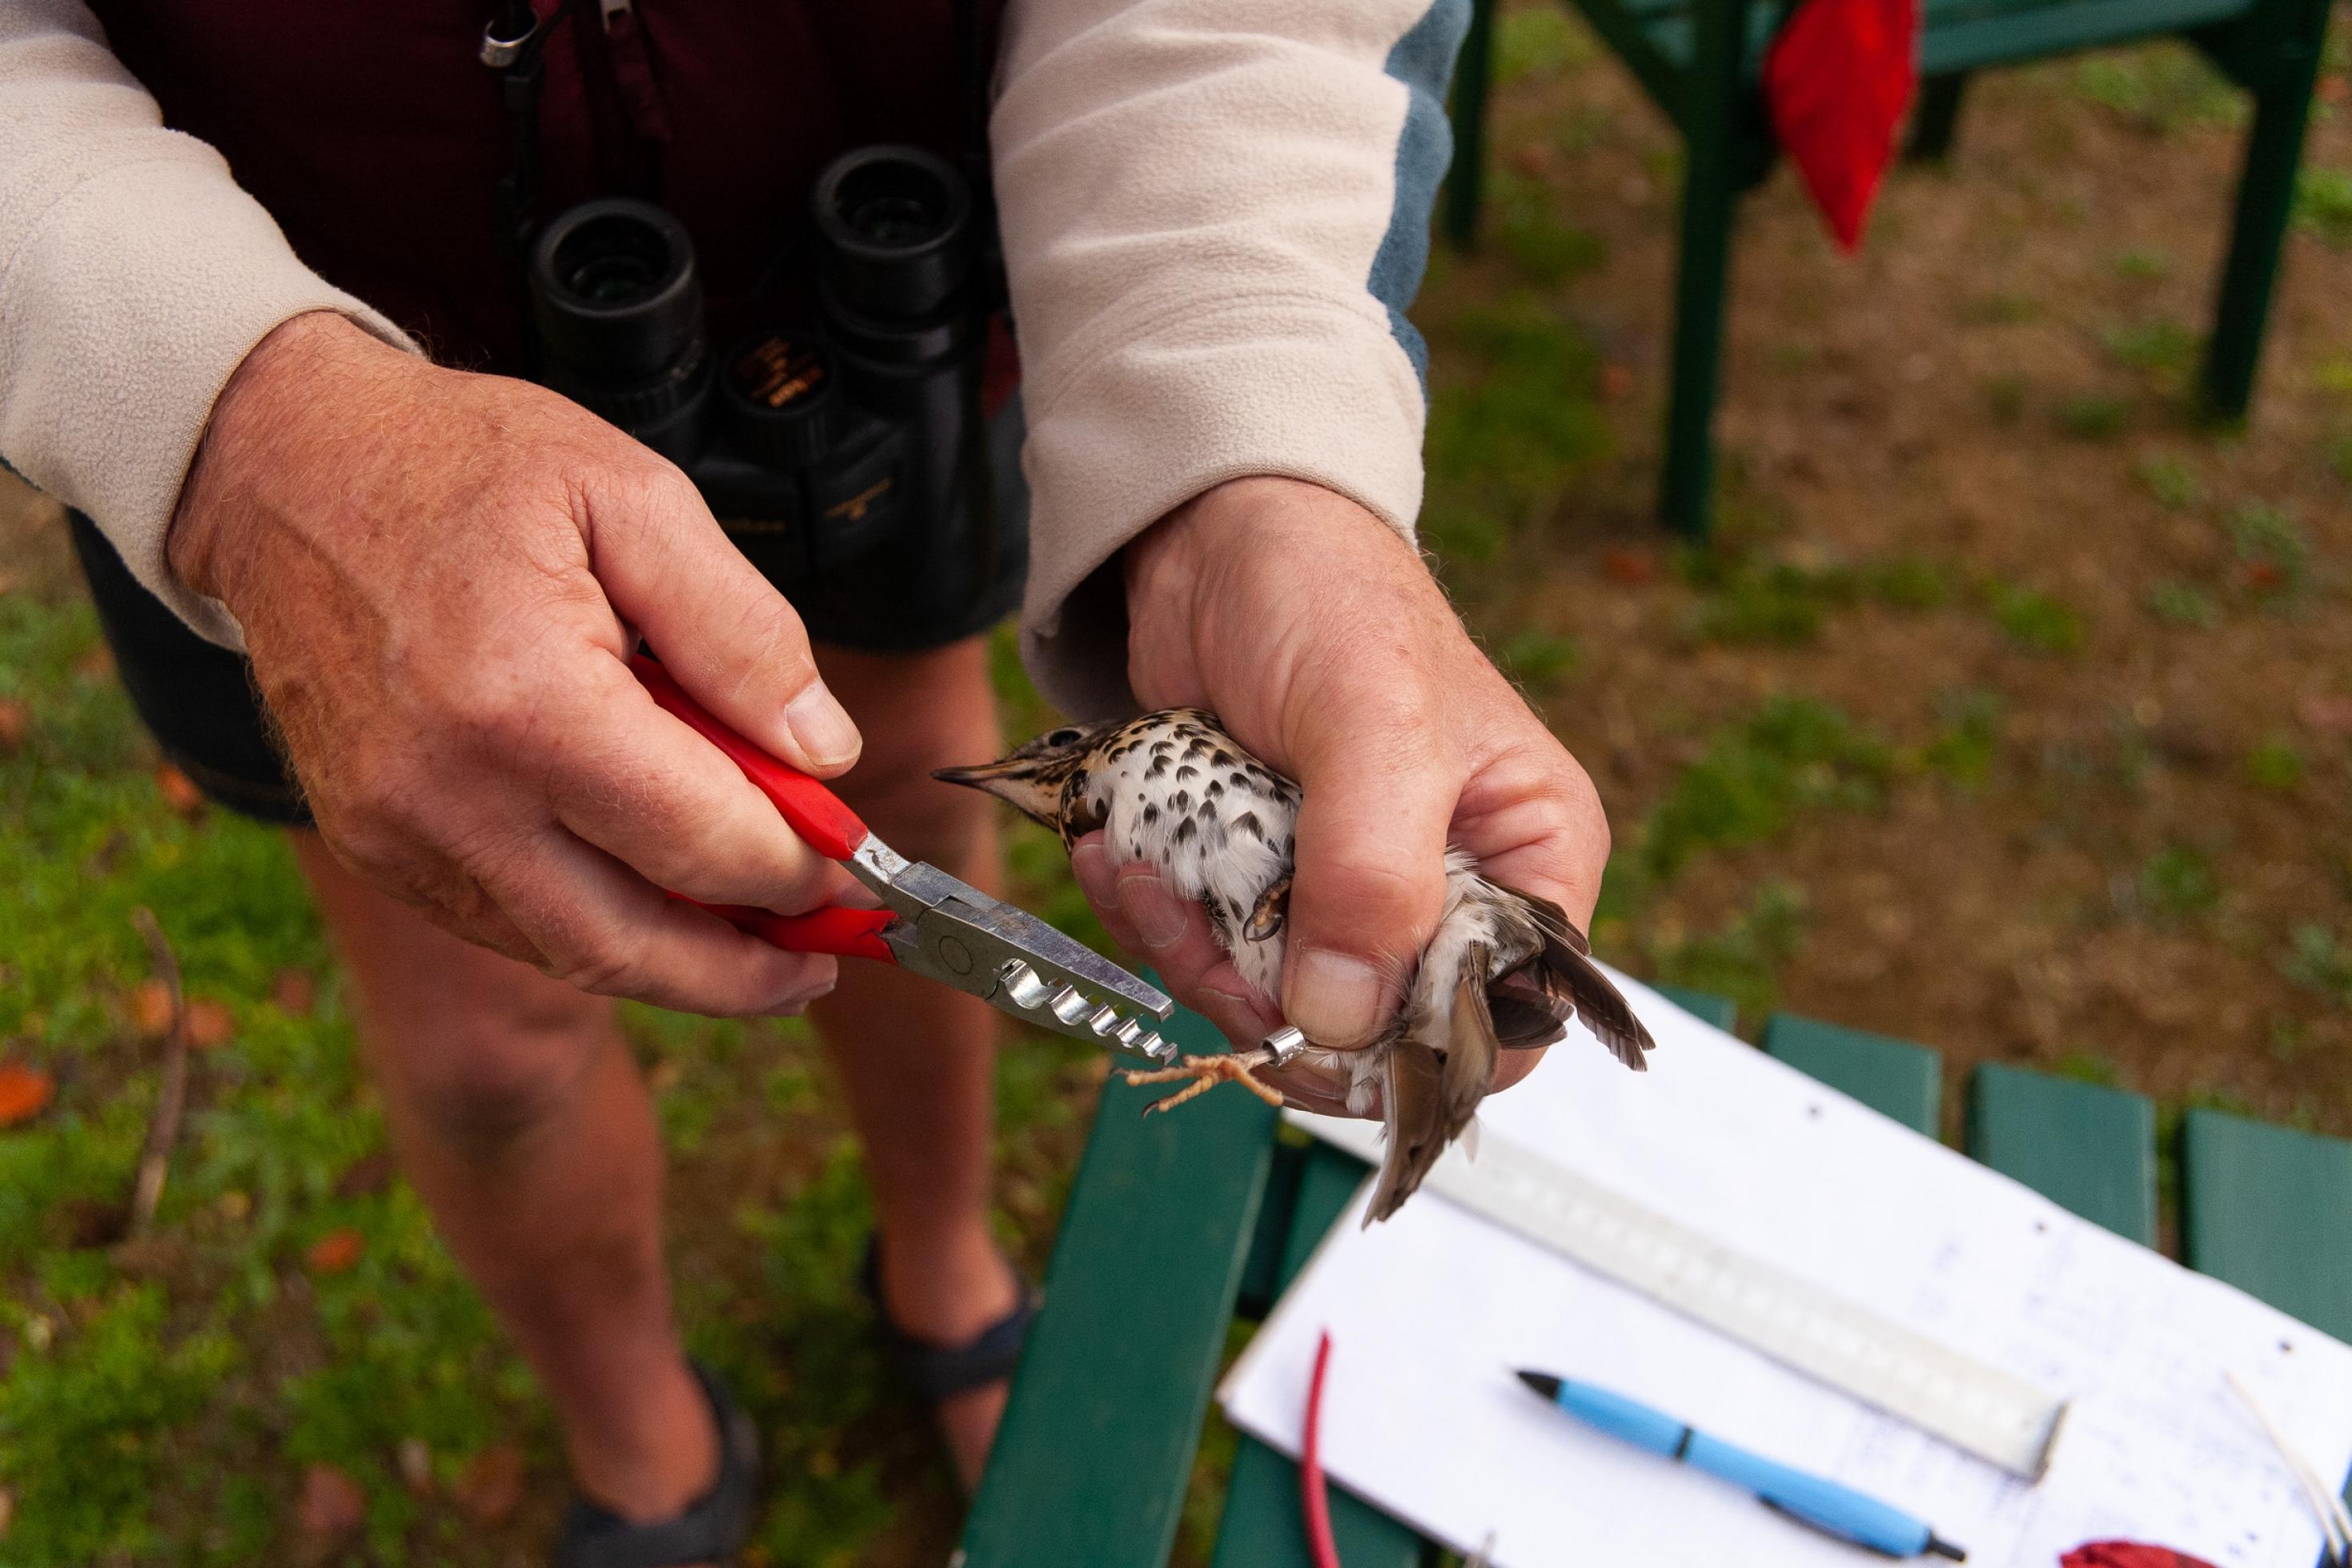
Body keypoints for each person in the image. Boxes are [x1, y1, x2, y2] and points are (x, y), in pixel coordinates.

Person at [0, 0, 1613, 1560]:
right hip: (273, 342)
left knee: (907, 803)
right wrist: (228, 411)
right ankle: (640, 1445)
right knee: (485, 1026)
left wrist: (1244, 428)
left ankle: (945, 1273)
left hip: (865, 312)